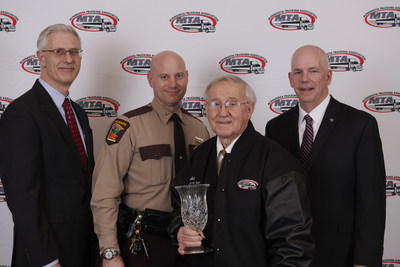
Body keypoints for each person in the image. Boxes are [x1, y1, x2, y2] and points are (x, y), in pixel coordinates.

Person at [170, 75, 314, 267]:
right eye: (215, 103)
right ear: (206, 108)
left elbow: (293, 244)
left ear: (249, 109)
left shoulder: (277, 163)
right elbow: (176, 208)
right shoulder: (199, 155)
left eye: (232, 103)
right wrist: (178, 230)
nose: (223, 112)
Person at [265, 45, 386, 267]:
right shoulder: (276, 128)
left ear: (328, 76)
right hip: (289, 255)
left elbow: (372, 201)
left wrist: (365, 261)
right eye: (298, 72)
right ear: (290, 79)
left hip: (342, 253)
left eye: (313, 71)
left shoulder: (360, 125)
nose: (305, 79)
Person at [91, 51, 209, 267]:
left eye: (179, 76)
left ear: (187, 77)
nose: (173, 83)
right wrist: (109, 252)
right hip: (143, 243)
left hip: (189, 244)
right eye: (164, 77)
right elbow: (103, 194)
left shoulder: (199, 129)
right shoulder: (128, 126)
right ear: (150, 79)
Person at [0, 24, 95, 267]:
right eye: (59, 51)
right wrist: (47, 260)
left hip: (82, 247)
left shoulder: (79, 114)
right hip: (46, 255)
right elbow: (22, 197)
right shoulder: (22, 113)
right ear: (41, 58)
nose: (68, 59)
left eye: (74, 51)